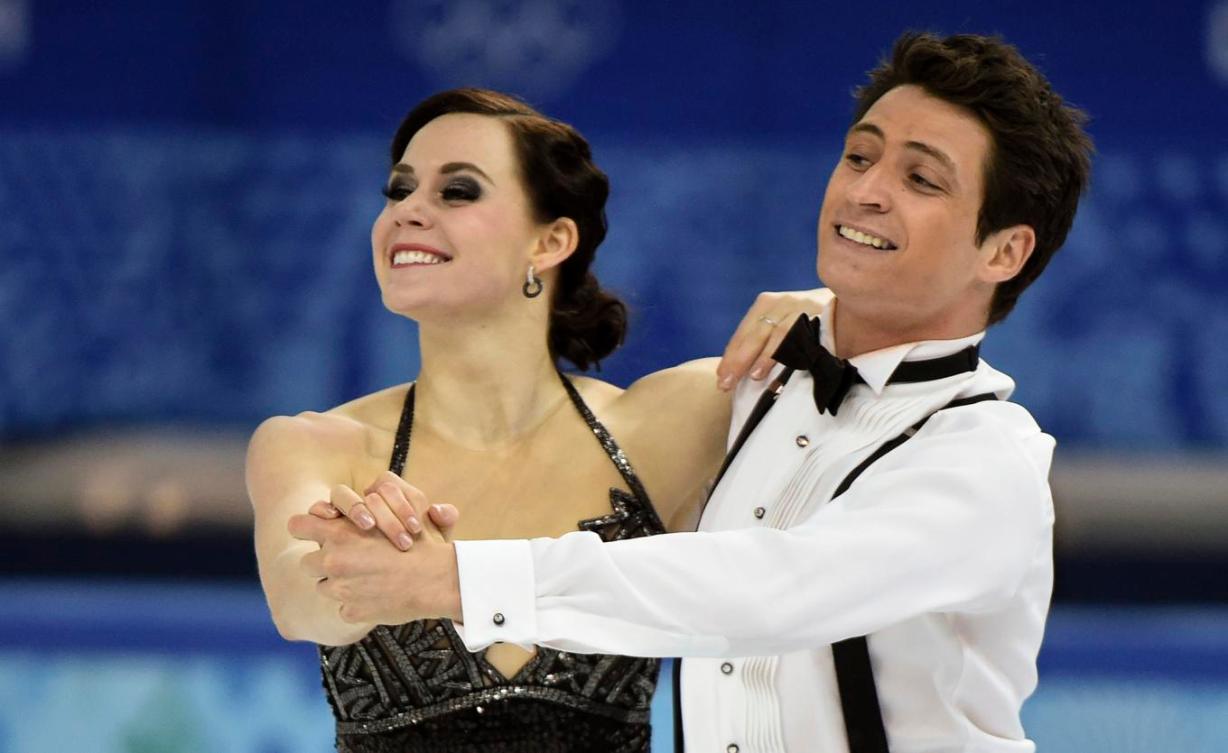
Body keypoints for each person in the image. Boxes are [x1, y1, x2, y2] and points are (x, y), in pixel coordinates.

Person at [290, 32, 1094, 752]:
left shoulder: (986, 461)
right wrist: (820, 307)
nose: (865, 190)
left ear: (1005, 250)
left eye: (921, 178)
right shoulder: (758, 384)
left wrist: (460, 579)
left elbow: (768, 589)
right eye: (858, 156)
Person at [249, 87, 827, 752]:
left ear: (550, 240)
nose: (407, 211)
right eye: (398, 190)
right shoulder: (312, 445)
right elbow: (298, 602)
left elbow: (884, 362)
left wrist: (821, 308)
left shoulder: (670, 421)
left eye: (457, 191)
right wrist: (354, 575)